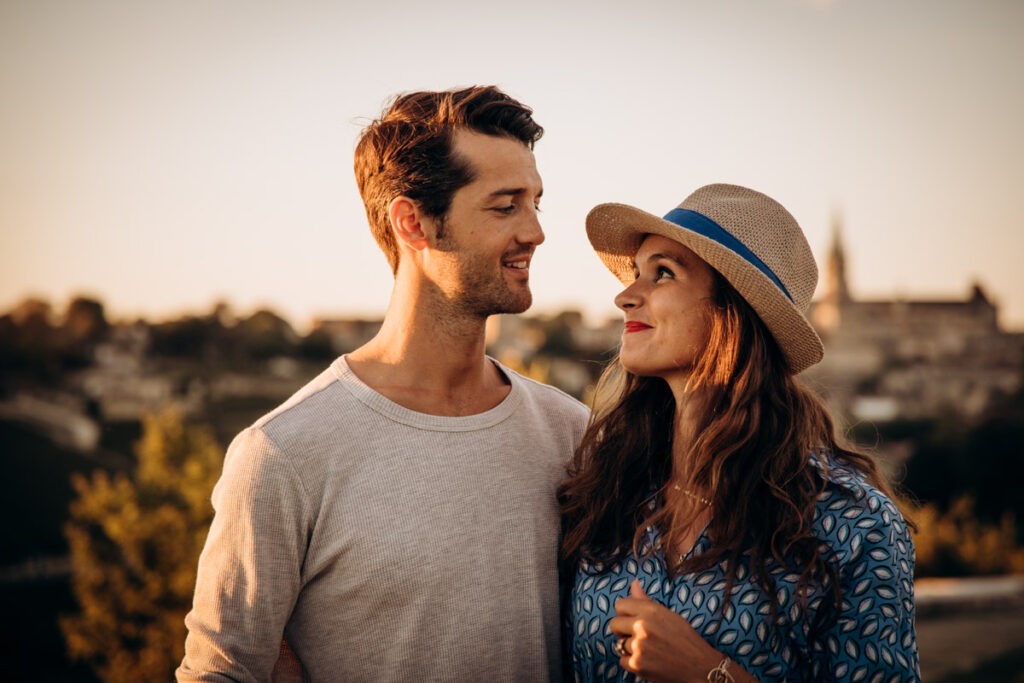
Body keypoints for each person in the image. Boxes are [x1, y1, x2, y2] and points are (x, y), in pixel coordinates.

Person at [177, 86, 590, 682]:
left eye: (535, 204)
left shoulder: (570, 432)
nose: (535, 232)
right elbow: (219, 673)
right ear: (413, 222)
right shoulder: (284, 454)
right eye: (505, 207)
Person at [559, 184, 919, 682]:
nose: (625, 296)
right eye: (637, 273)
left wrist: (712, 674)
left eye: (663, 273)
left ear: (734, 307)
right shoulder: (607, 490)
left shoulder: (851, 524)